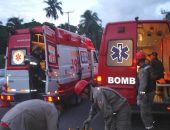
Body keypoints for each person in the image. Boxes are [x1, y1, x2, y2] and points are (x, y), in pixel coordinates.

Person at [136, 51, 155, 130]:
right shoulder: (148, 67)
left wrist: (140, 97)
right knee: (148, 109)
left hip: (145, 94)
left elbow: (143, 86)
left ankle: (149, 127)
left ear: (138, 60)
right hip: (151, 92)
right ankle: (151, 122)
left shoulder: (142, 70)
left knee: (144, 113)